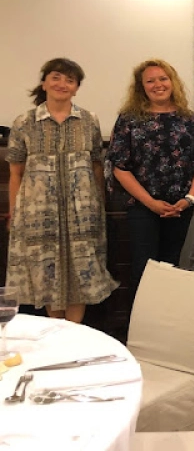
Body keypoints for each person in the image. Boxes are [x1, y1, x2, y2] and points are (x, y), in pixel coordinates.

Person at [6, 58, 117, 323]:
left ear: (76, 88)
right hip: (38, 213)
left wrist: (99, 205)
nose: (62, 84)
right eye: (56, 77)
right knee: (46, 272)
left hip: (82, 212)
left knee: (81, 271)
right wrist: (14, 213)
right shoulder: (24, 122)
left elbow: (96, 166)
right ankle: (56, 331)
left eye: (70, 80)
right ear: (44, 83)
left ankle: (73, 331)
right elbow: (16, 173)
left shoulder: (89, 120)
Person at [106, 59, 194, 294]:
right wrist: (151, 203)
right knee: (144, 269)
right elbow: (119, 167)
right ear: (141, 86)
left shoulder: (189, 119)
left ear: (173, 82)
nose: (158, 85)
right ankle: (142, 319)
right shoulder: (129, 120)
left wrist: (189, 200)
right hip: (142, 207)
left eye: (163, 78)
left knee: (172, 267)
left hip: (181, 207)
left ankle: (167, 317)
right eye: (150, 81)